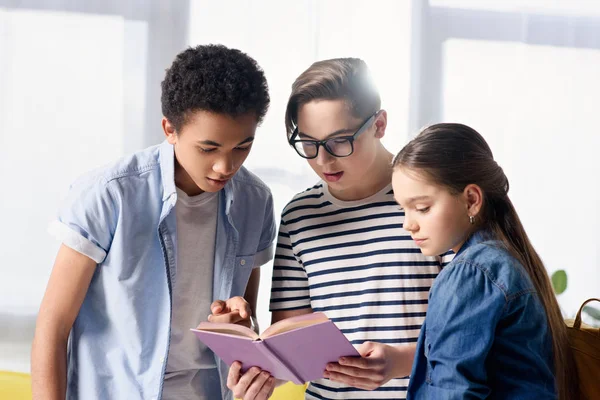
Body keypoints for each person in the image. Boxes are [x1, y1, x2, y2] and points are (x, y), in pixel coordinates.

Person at [31, 44, 276, 400]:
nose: (226, 167)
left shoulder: (255, 201)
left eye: (242, 147)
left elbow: (245, 326)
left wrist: (240, 327)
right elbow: (53, 328)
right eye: (208, 149)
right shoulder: (109, 194)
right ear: (170, 129)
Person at [226, 58, 451, 400]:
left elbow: (474, 331)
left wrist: (402, 362)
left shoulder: (430, 199)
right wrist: (260, 372)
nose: (323, 161)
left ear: (379, 124)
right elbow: (293, 346)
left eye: (339, 142)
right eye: (309, 144)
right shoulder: (299, 215)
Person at [391, 123, 578, 399]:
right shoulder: (506, 259)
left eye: (422, 208)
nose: (409, 224)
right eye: (403, 209)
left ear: (471, 200)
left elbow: (452, 392)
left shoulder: (472, 272)